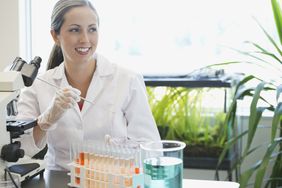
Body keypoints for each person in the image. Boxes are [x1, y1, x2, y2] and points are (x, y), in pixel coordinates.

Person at [16, 0, 160, 171]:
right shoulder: (38, 86)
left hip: (112, 180)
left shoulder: (127, 80)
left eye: (92, 29)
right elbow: (21, 148)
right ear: (55, 36)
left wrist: (121, 150)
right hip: (60, 180)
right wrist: (46, 120)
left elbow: (152, 151)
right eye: (75, 30)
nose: (85, 39)